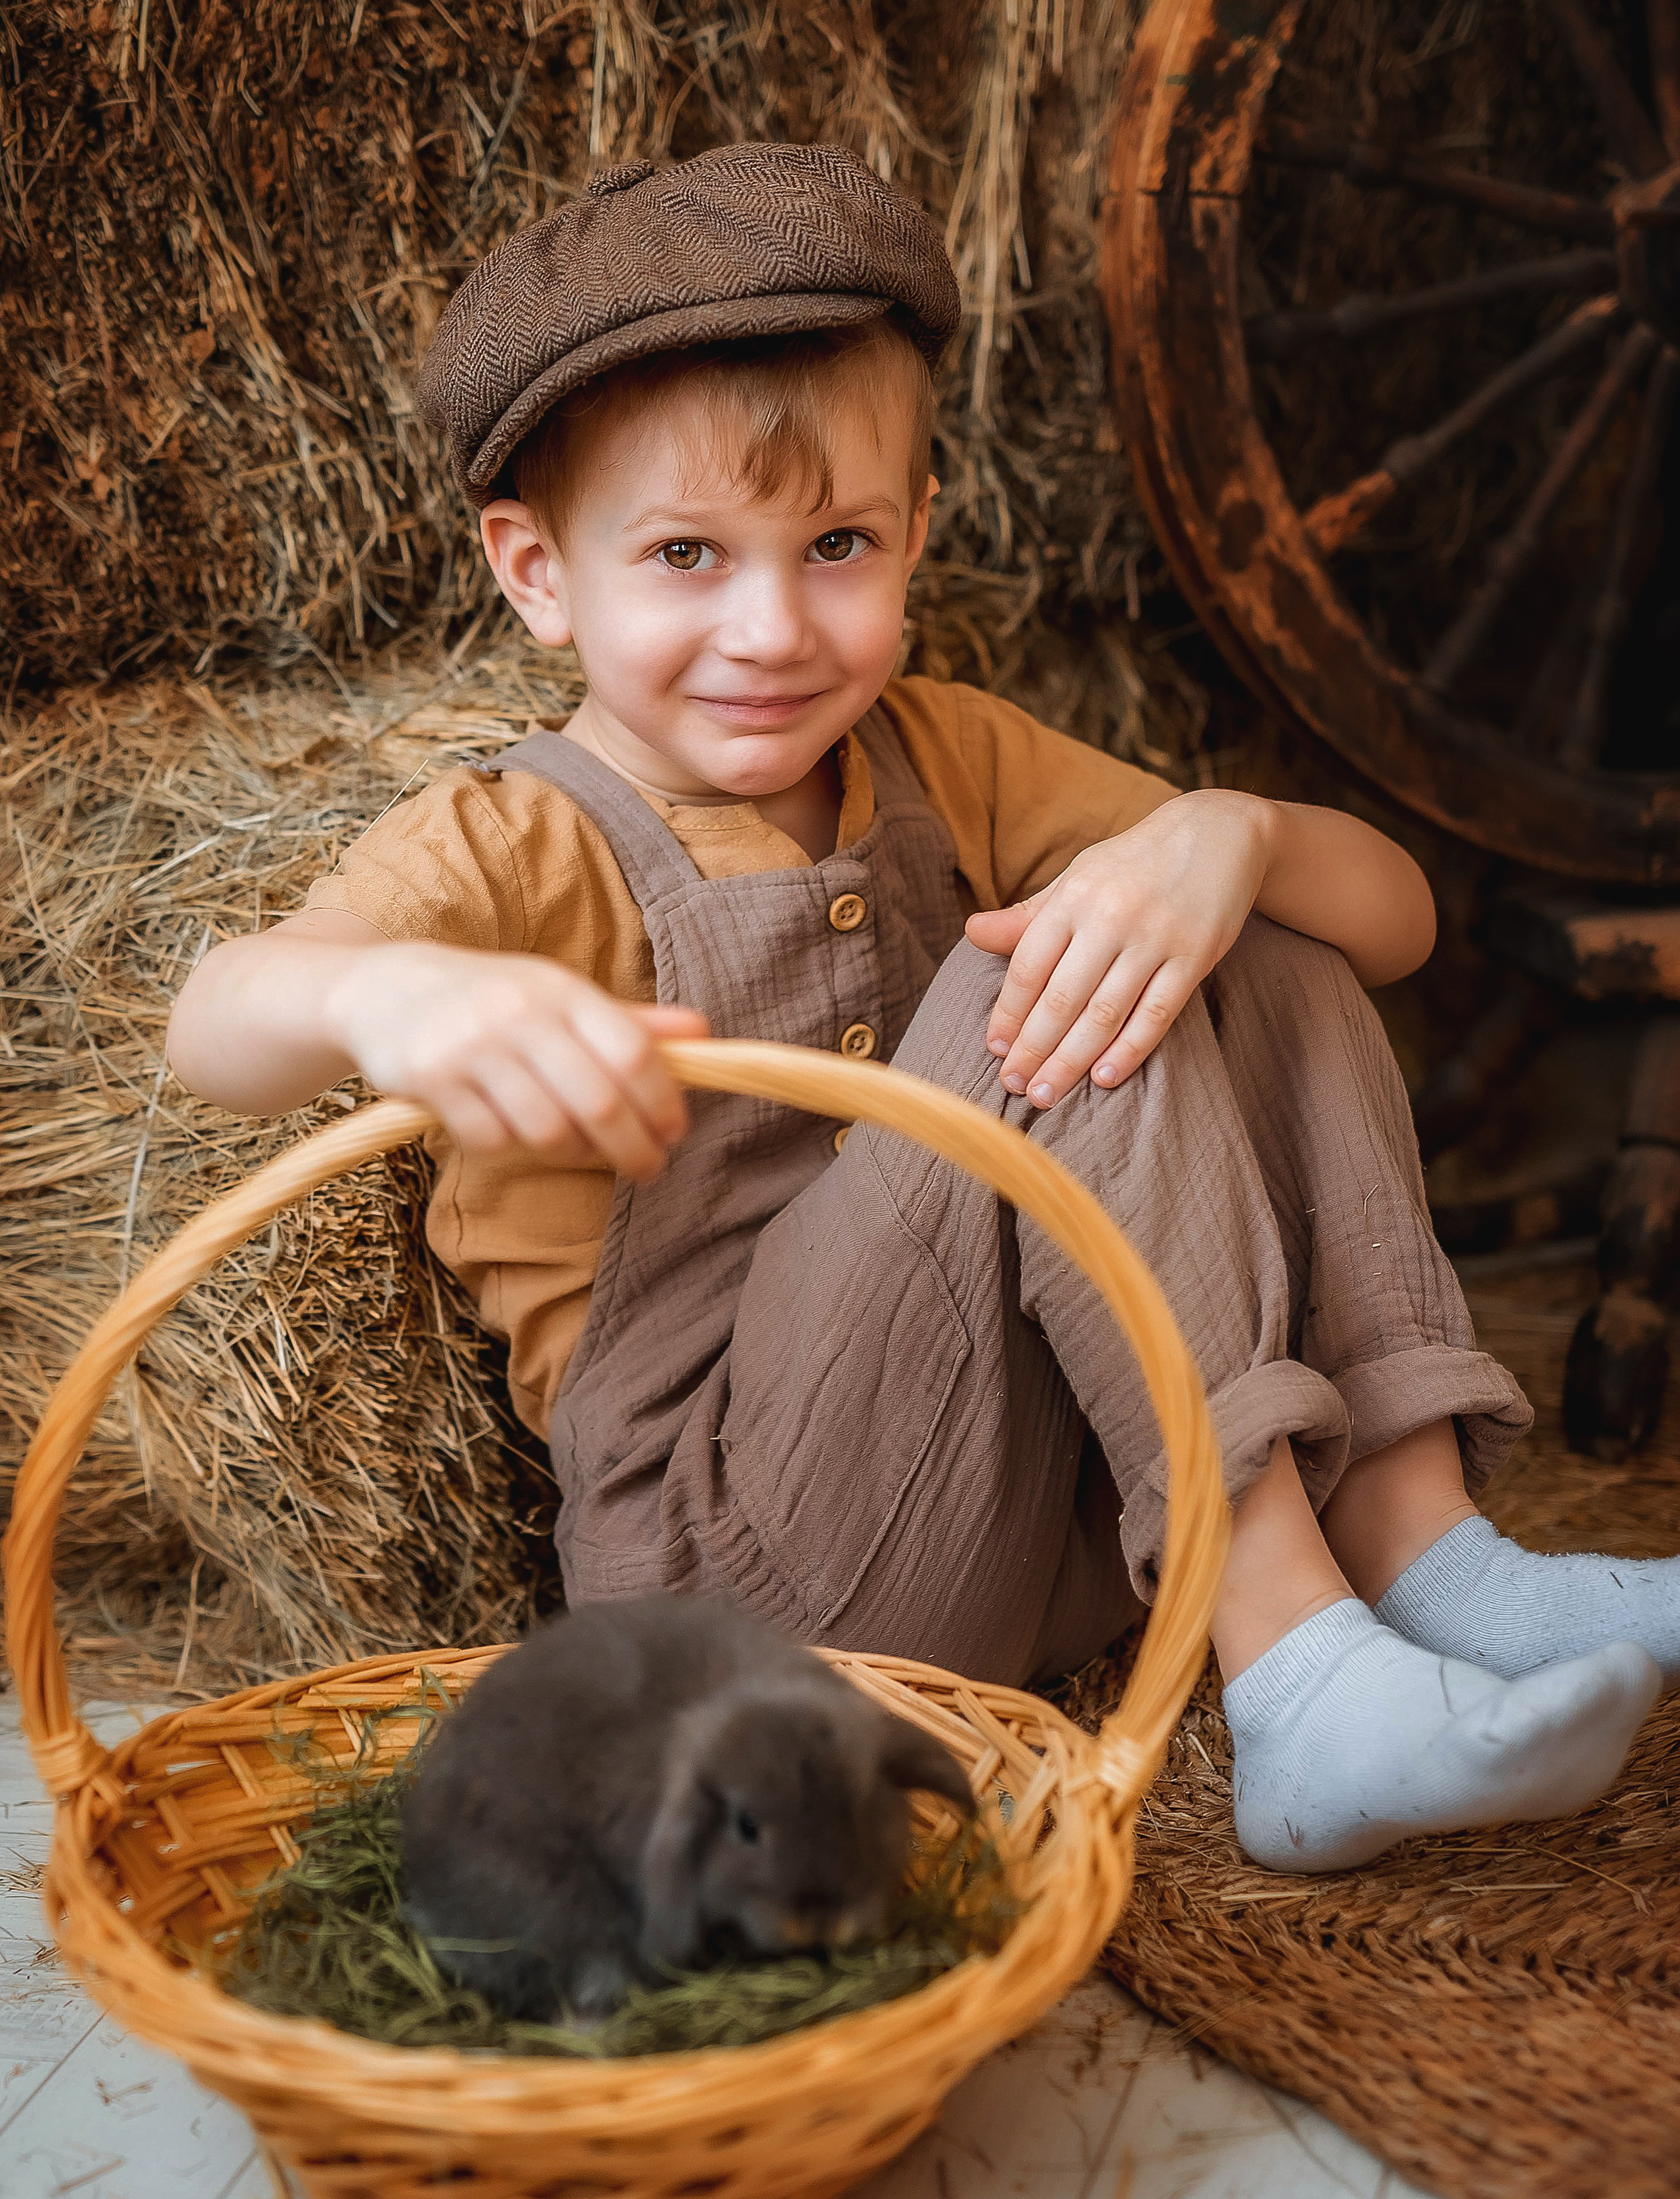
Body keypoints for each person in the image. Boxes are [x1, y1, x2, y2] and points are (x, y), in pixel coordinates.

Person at [168, 144, 1668, 1875]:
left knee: (1249, 939)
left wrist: (1226, 836)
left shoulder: (944, 751)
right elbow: (217, 1022)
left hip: (1039, 1532)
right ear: (536, 573)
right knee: (1044, 967)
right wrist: (390, 992)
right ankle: (1298, 1672)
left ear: (918, 529)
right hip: (743, 1594)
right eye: (682, 553)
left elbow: (1393, 921)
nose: (772, 625)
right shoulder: (511, 838)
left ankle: (1425, 1556)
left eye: (837, 545)